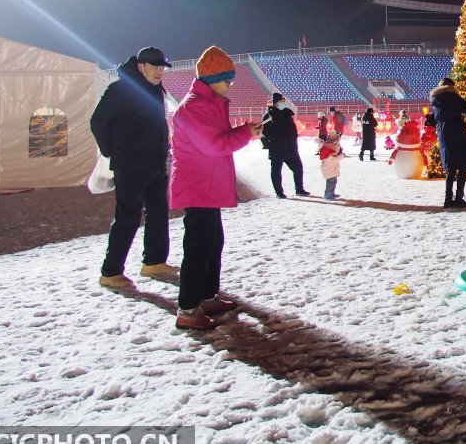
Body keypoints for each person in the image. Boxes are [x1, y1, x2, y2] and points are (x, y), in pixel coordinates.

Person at [170, 45, 263, 330]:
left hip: (206, 184)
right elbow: (214, 145)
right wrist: (245, 133)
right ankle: (187, 308)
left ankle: (207, 295)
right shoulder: (196, 105)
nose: (230, 85)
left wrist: (243, 132)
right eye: (226, 79)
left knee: (212, 243)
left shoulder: (208, 102)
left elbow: (218, 139)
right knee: (198, 247)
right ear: (212, 78)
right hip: (198, 185)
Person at [91, 46, 176, 288]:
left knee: (159, 214)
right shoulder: (120, 90)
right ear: (141, 66)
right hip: (130, 166)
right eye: (155, 67)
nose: (160, 71)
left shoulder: (155, 89)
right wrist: (112, 151)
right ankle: (111, 272)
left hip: (156, 164)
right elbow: (98, 121)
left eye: (162, 68)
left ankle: (154, 261)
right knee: (128, 217)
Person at [431, 77, 466, 208]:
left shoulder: (435, 100)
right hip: (457, 132)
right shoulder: (455, 98)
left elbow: (435, 119)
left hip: (444, 134)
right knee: (462, 167)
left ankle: (448, 199)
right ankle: (459, 198)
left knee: (450, 168)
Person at [261, 92, 309, 198]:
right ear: (275, 103)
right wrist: (278, 139)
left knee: (298, 168)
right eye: (280, 102)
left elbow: (292, 127)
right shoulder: (269, 115)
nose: (282, 103)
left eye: (283, 101)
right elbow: (266, 132)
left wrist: (294, 138)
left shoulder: (287, 113)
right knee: (276, 171)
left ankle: (299, 189)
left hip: (291, 147)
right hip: (277, 148)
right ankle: (279, 192)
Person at [318, 130, 345, 199]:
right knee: (330, 183)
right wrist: (341, 156)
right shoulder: (328, 152)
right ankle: (327, 195)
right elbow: (333, 160)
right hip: (329, 169)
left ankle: (331, 193)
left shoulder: (331, 149)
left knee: (333, 182)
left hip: (332, 169)